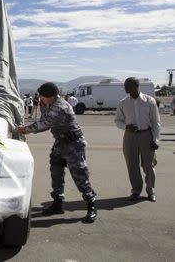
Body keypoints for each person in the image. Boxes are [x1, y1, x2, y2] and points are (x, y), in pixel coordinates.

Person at [17, 82, 97, 223]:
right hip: (60, 143)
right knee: (56, 172)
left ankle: (91, 205)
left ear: (50, 96)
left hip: (73, 144)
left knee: (80, 175)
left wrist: (24, 130)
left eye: (43, 96)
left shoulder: (60, 106)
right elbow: (44, 121)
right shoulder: (50, 105)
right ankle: (57, 203)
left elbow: (44, 124)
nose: (41, 99)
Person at [115, 77, 160, 202]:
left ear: (136, 86)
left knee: (149, 165)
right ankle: (136, 191)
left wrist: (156, 139)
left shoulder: (149, 101)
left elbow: (156, 122)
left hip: (147, 135)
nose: (125, 88)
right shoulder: (123, 103)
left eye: (127, 85)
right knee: (132, 165)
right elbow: (117, 120)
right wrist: (126, 126)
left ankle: (151, 191)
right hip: (130, 137)